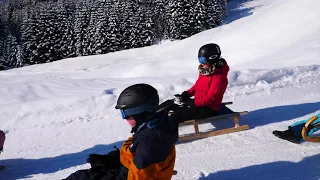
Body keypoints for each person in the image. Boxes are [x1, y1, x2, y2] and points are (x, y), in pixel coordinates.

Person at [64, 83, 179, 180]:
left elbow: (138, 172)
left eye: (127, 115)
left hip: (124, 175)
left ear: (140, 114)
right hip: (126, 169)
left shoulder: (149, 145)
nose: (124, 119)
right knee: (79, 176)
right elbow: (135, 142)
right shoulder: (155, 124)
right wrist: (116, 158)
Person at [168, 43, 230, 124]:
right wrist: (187, 94)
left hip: (209, 109)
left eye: (203, 60)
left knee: (177, 115)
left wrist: (193, 103)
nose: (202, 63)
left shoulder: (219, 77)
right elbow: (197, 86)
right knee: (171, 104)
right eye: (200, 60)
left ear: (213, 59)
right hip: (199, 103)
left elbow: (210, 98)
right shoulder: (205, 71)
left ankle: (163, 133)